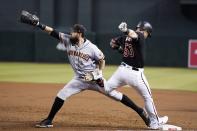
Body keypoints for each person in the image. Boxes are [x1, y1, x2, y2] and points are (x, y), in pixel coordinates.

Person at [20, 11, 150, 128]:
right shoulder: (67, 40)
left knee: (115, 95)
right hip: (79, 79)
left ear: (80, 34)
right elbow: (53, 32)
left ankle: (140, 111)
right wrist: (38, 24)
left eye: (73, 32)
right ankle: (49, 120)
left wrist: (97, 74)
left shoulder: (91, 47)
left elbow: (102, 60)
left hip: (95, 79)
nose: (70, 33)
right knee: (61, 94)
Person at [105, 21, 168, 129]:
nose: (147, 36)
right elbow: (135, 35)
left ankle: (120, 97)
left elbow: (112, 43)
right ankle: (155, 122)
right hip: (135, 74)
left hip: (121, 71)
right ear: (146, 31)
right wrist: (126, 30)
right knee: (147, 97)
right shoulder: (140, 34)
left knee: (107, 89)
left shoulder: (125, 37)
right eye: (148, 33)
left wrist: (121, 48)